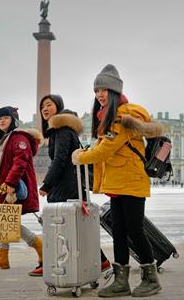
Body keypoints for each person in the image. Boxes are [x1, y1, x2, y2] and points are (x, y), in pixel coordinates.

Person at [72, 64, 163, 297]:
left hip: (130, 182)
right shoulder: (108, 117)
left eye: (104, 90)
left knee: (135, 231)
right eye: (96, 91)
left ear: (114, 92)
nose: (100, 95)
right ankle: (121, 281)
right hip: (118, 183)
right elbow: (103, 148)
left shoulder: (122, 118)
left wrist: (80, 157)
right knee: (120, 232)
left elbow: (105, 150)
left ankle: (151, 278)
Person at [38, 94, 111, 274]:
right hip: (71, 185)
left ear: (58, 107)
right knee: (78, 227)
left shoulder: (62, 130)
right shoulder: (63, 130)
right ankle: (99, 261)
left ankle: (55, 264)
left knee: (61, 227)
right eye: (42, 107)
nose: (45, 109)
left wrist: (47, 184)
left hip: (66, 187)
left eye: (49, 105)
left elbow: (60, 160)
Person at [0, 106, 45, 277]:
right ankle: (2, 257)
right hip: (5, 185)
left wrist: (10, 183)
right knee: (3, 218)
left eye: (5, 118)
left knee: (7, 220)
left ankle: (40, 246)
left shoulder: (18, 138)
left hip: (13, 186)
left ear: (13, 121)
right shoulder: (6, 139)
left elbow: (21, 161)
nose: (2, 121)